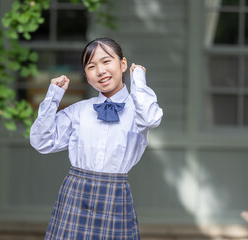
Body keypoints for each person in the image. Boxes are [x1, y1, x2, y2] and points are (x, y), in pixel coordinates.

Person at [30, 38, 163, 240]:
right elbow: (41, 141)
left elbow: (152, 119)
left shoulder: (139, 111)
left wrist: (139, 80)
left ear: (123, 64)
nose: (100, 71)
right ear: (86, 75)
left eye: (106, 61)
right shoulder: (78, 111)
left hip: (115, 196)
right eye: (91, 66)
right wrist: (53, 97)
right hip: (75, 195)